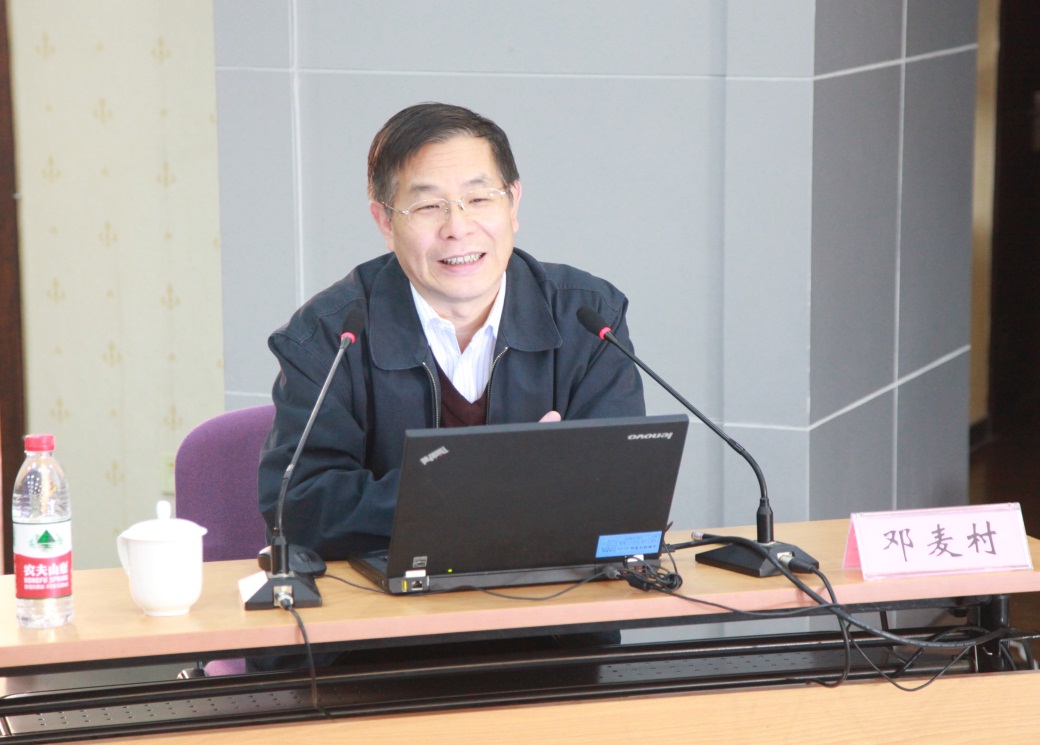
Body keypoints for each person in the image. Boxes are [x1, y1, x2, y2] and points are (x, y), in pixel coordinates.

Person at [258, 102, 645, 562]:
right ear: (385, 222)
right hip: (388, 603)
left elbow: (623, 497)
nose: (457, 228)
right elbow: (299, 510)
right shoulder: (328, 337)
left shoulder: (588, 318)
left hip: (557, 596)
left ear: (513, 204)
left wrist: (456, 495)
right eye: (427, 206)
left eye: (479, 199)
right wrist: (482, 480)